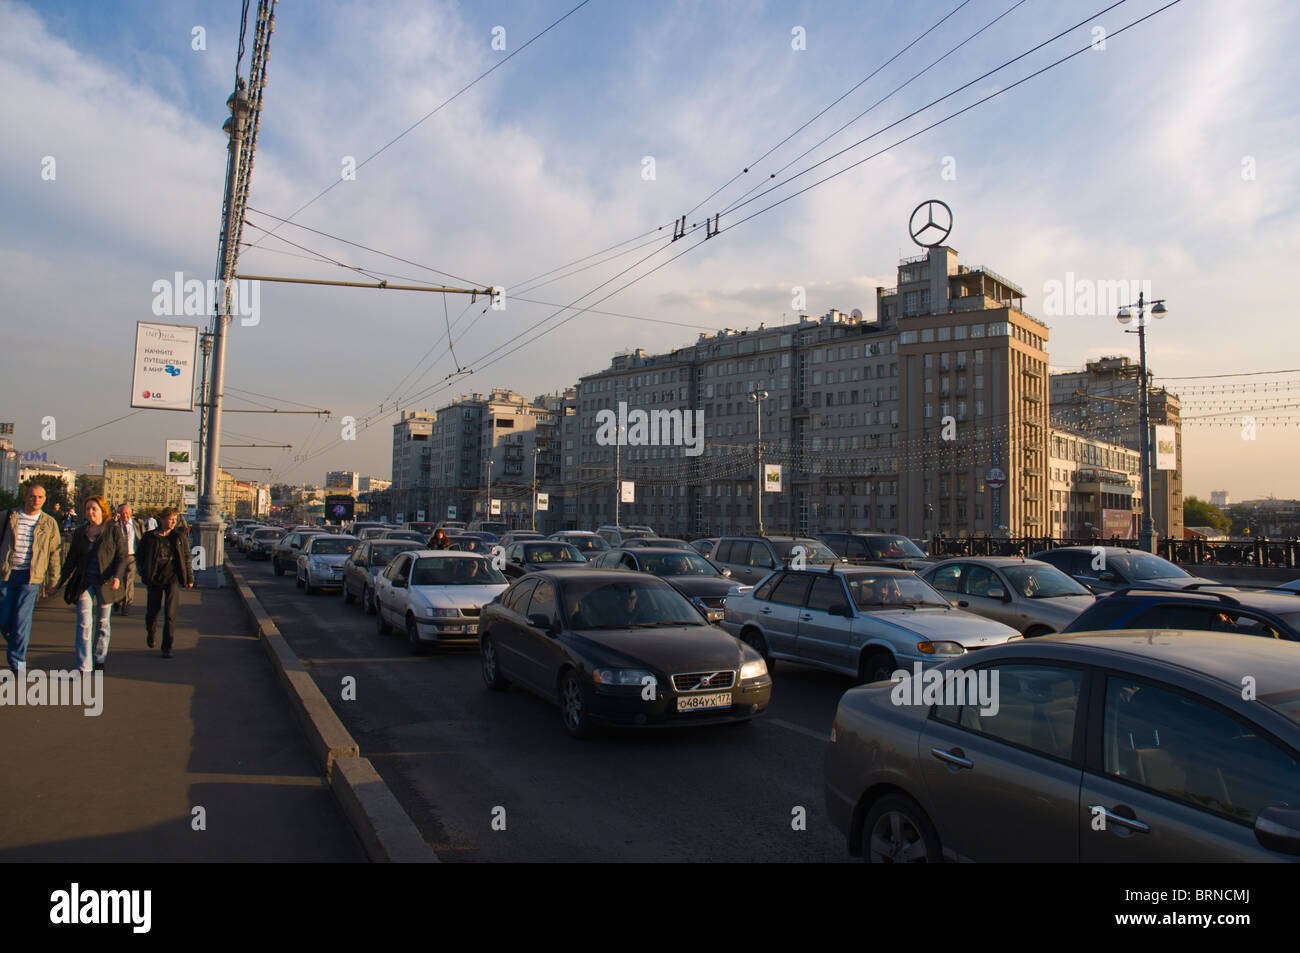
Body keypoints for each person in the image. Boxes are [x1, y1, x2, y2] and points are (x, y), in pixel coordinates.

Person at [56, 495, 128, 673]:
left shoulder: (113, 530)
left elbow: (122, 556)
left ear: (102, 511)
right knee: (84, 623)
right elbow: (71, 560)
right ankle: (84, 666)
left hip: (105, 582)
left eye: (93, 508)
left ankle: (99, 656)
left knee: (103, 622)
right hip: (85, 582)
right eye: (87, 508)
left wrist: (117, 577)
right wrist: (57, 583)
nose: (90, 512)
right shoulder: (80, 532)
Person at [1, 484, 64, 674]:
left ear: (44, 499)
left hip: (31, 578)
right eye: (32, 496)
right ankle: (17, 642)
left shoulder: (49, 523)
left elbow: (55, 553)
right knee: (3, 620)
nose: (36, 500)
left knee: (21, 621)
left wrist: (54, 580)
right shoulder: (7, 516)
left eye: (40, 497)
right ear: (25, 497)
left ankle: (17, 664)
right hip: (6, 574)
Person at [137, 508, 194, 658]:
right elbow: (139, 556)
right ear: (161, 520)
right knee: (152, 612)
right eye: (170, 519)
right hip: (154, 578)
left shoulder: (179, 537)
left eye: (175, 519)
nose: (173, 522)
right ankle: (151, 632)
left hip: (172, 578)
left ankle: (167, 646)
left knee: (170, 613)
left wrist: (189, 578)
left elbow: (187, 558)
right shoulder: (150, 537)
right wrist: (143, 572)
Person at [113, 503, 145, 616]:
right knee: (118, 580)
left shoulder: (137, 524)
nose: (124, 516)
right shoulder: (115, 525)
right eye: (122, 513)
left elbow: (142, 539)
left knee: (129, 580)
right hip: (118, 557)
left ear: (130, 514)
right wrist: (113, 522)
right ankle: (117, 600)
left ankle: (127, 604)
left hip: (132, 556)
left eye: (126, 513)